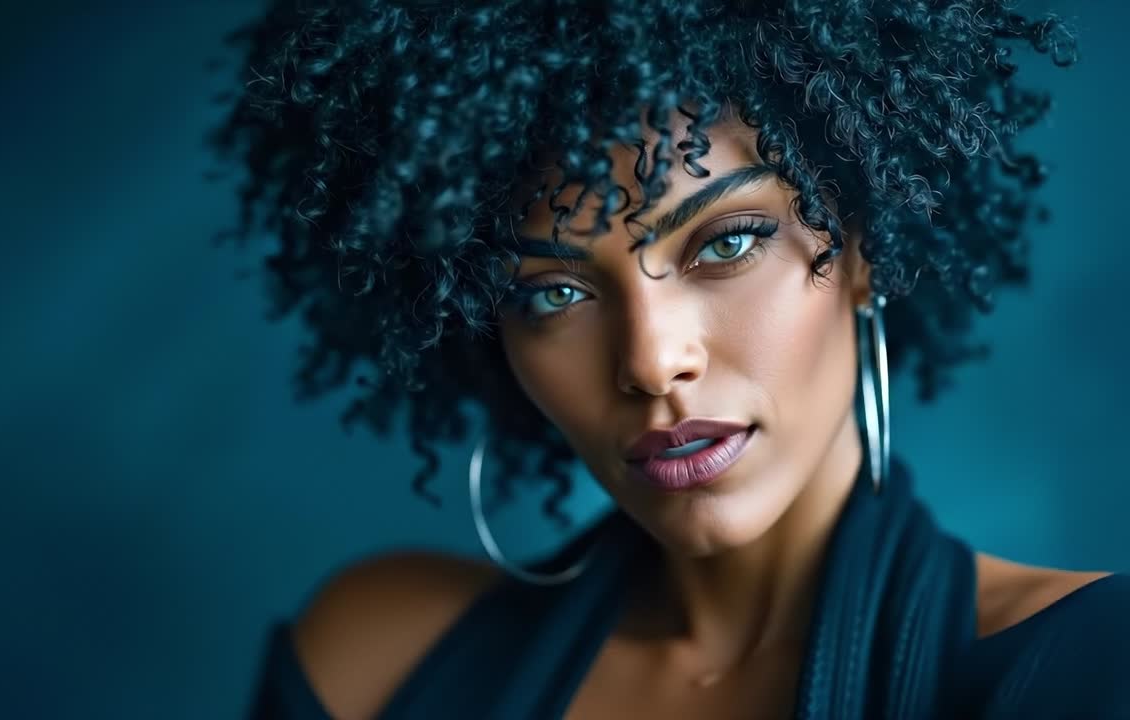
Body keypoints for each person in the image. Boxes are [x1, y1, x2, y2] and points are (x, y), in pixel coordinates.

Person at [212, 1, 1130, 717]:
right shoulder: (374, 664)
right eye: (552, 294)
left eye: (726, 243)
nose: (653, 363)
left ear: (863, 250)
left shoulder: (1087, 670)